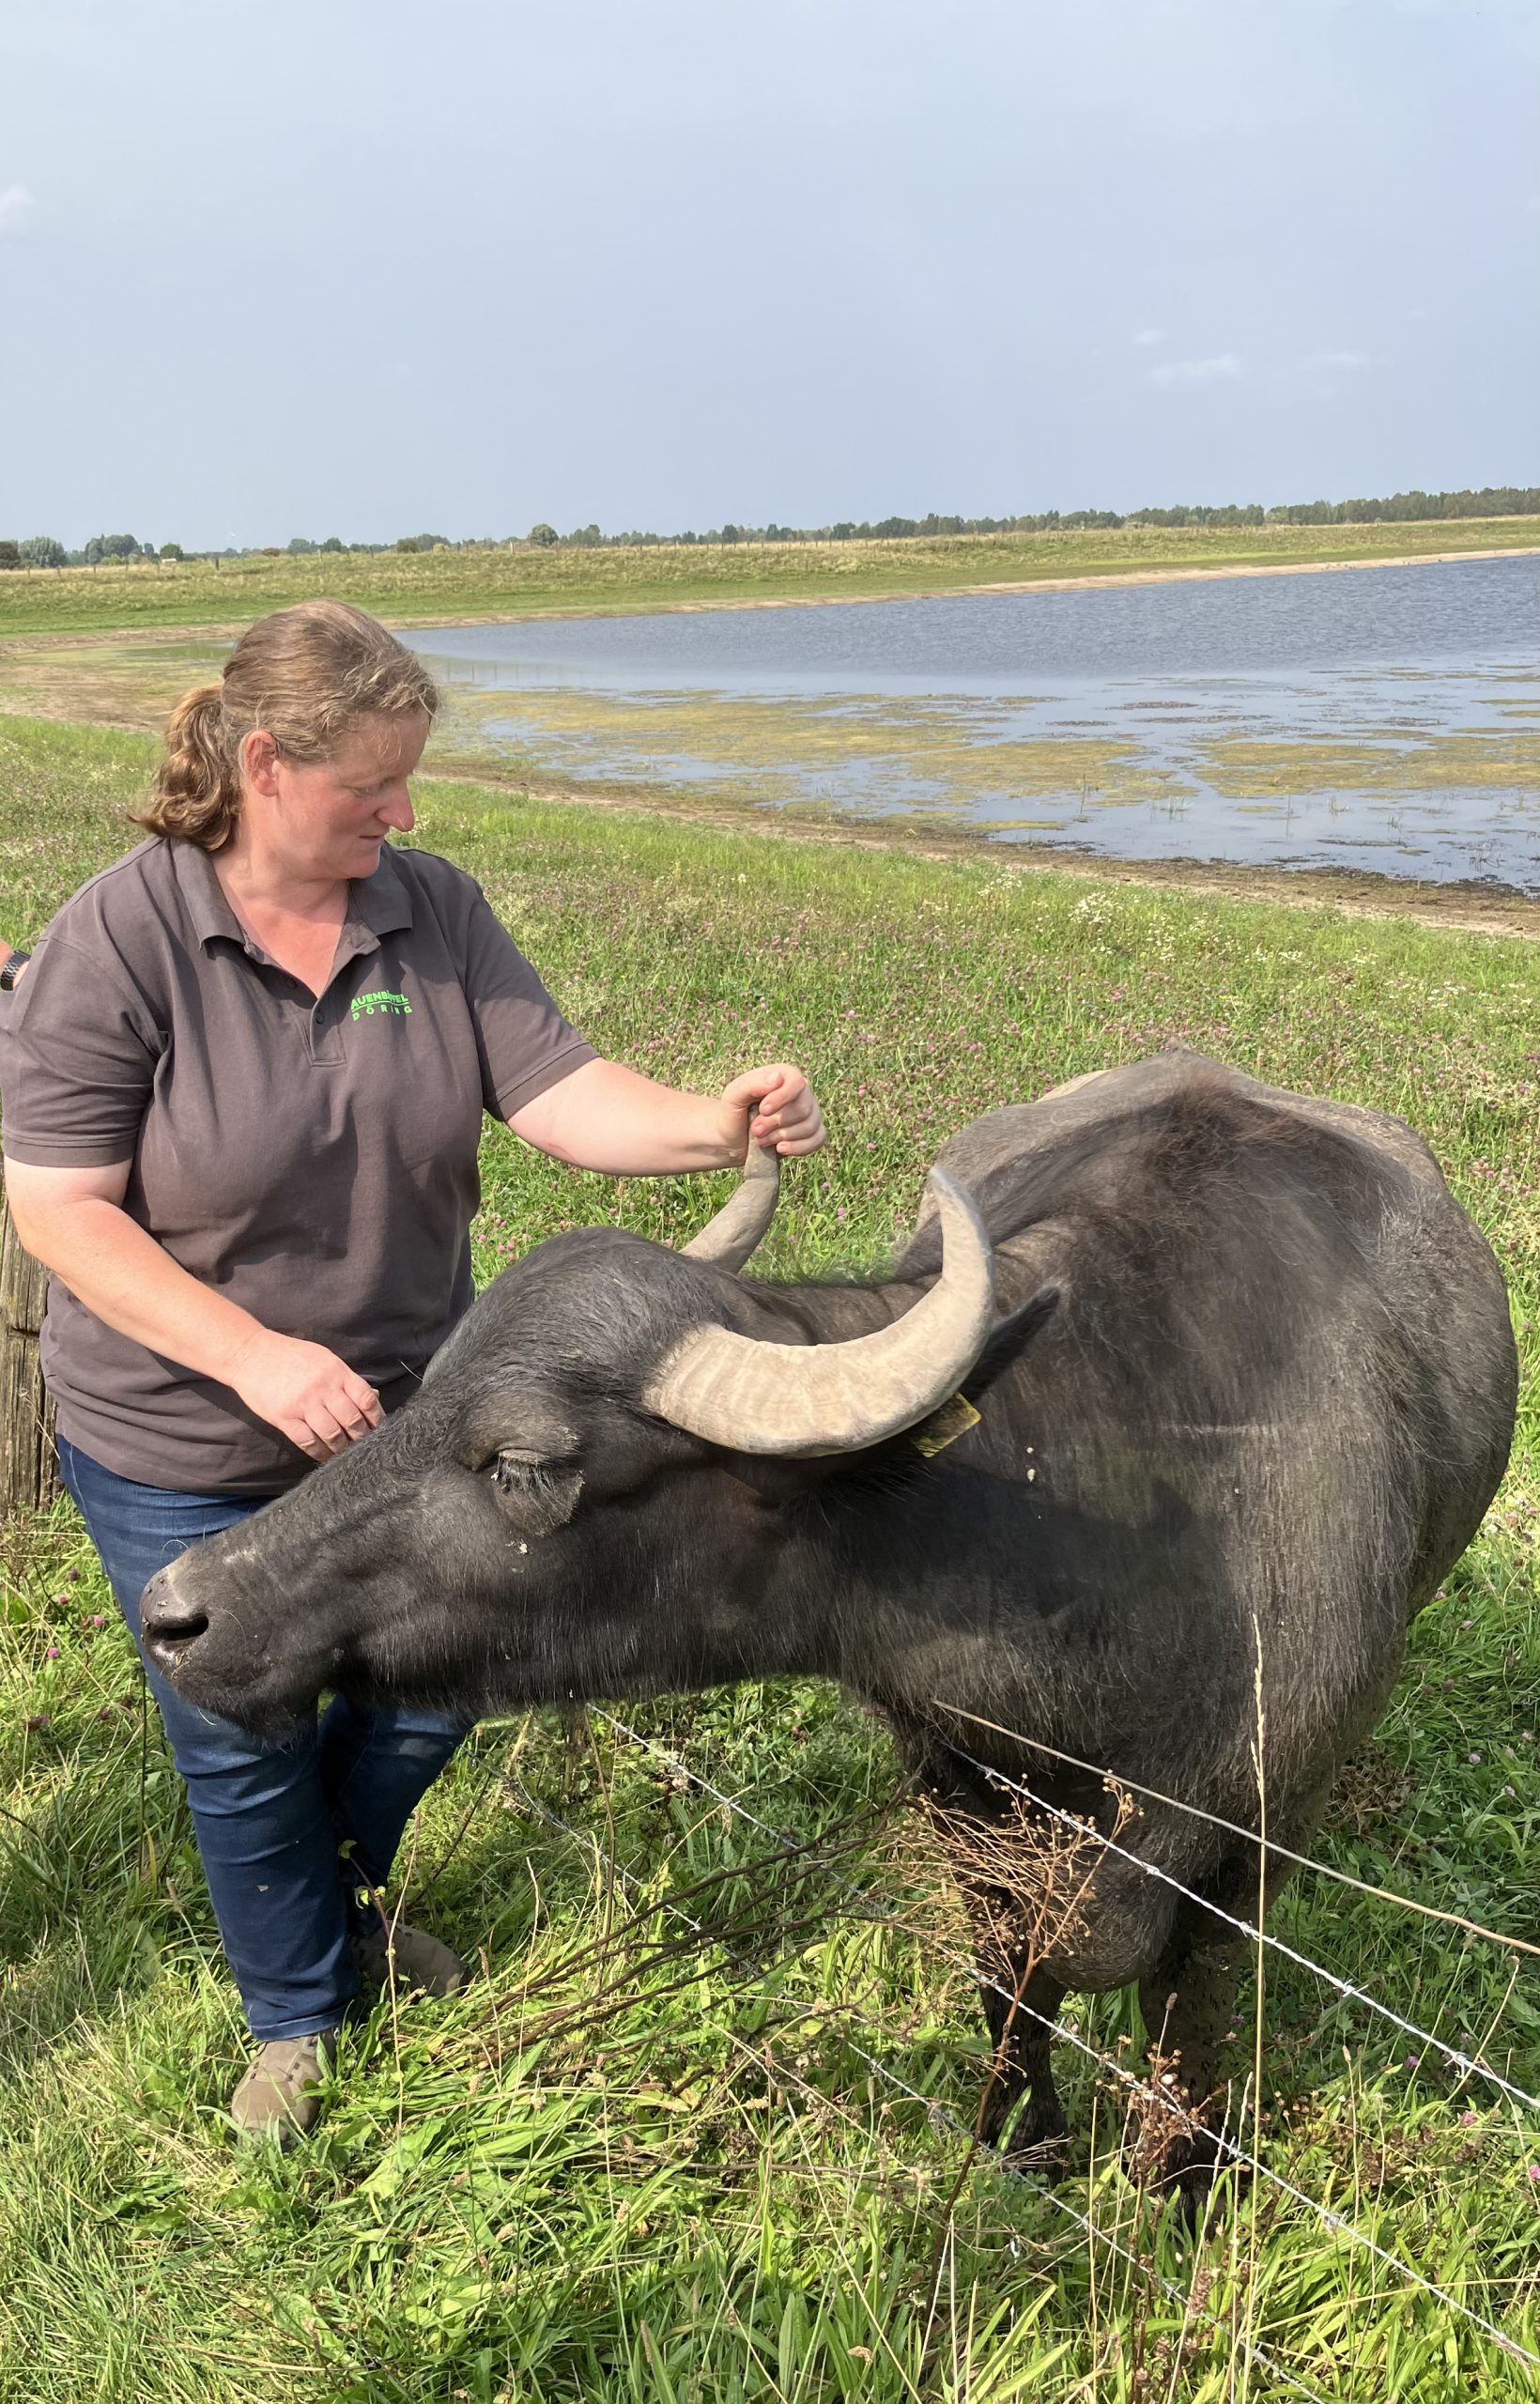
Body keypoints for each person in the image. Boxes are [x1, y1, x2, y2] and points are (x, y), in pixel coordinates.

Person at [0, 600, 824, 2143]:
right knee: (244, 1719)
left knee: (436, 1682)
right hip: (180, 1427)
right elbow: (58, 1210)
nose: (404, 812)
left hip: (410, 1417)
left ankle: (333, 1904)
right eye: (373, 783)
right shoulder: (121, 937)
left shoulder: (430, 909)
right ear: (265, 765)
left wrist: (714, 1124)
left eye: (409, 779)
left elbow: (561, 1092)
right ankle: (299, 2015)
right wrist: (253, 1357)